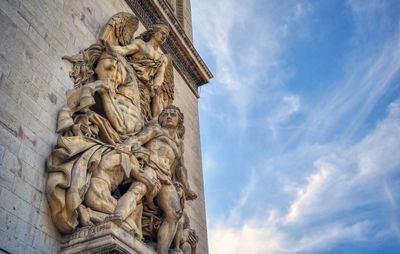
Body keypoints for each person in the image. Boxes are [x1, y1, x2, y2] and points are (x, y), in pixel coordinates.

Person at [111, 24, 171, 120]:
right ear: (154, 32)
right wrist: (110, 48)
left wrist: (157, 85)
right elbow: (124, 50)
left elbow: (160, 74)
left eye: (166, 36)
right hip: (129, 78)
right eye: (162, 33)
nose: (164, 37)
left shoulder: (163, 58)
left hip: (145, 89)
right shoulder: (140, 44)